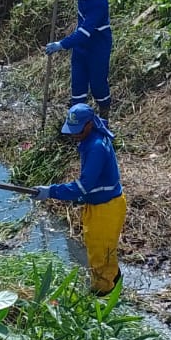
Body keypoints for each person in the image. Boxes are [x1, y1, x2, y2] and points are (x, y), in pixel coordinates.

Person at [33, 102, 126, 295]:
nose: (74, 134)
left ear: (90, 124)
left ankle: (103, 295)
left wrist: (51, 191)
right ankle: (113, 282)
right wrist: (83, 197)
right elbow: (90, 185)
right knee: (96, 248)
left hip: (107, 208)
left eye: (78, 130)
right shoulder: (91, 138)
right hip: (98, 204)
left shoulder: (96, 147)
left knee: (102, 254)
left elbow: (84, 185)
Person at [45, 0, 113, 116]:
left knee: (97, 82)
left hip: (97, 45)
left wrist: (61, 44)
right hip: (80, 47)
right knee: (78, 79)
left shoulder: (99, 3)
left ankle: (104, 111)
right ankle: (77, 116)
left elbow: (84, 33)